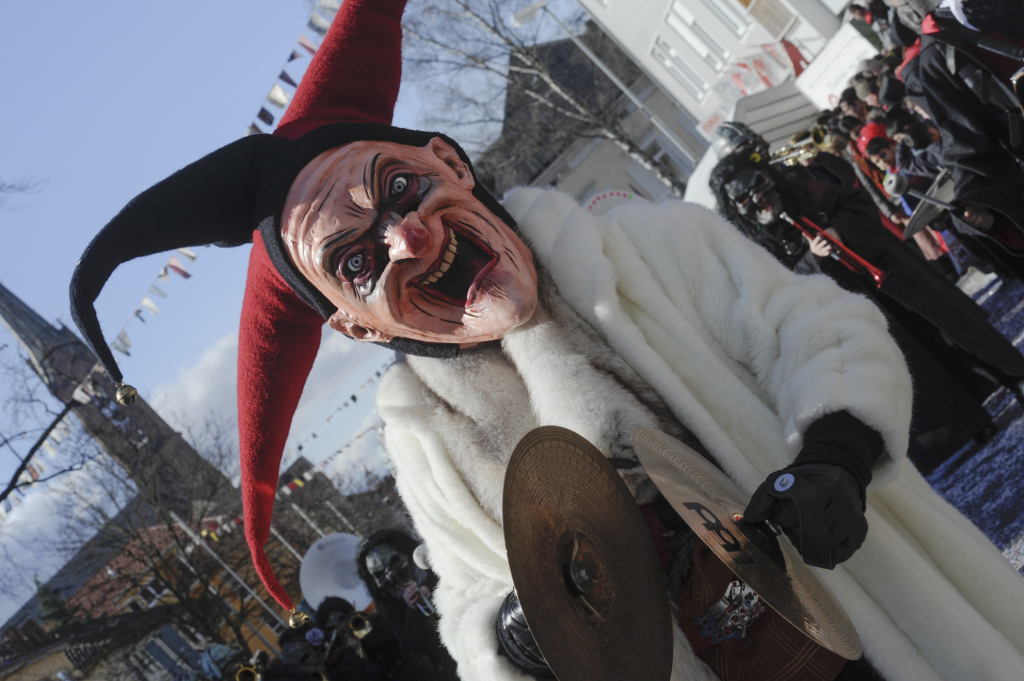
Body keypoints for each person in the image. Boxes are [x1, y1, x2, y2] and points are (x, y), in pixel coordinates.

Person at [68, 1, 1024, 680]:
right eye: (357, 262)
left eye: (401, 191)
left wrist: (838, 453)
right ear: (355, 323)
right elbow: (466, 603)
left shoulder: (647, 247)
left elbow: (816, 327)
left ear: (450, 161)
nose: (406, 239)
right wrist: (522, 634)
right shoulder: (429, 441)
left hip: (905, 626)